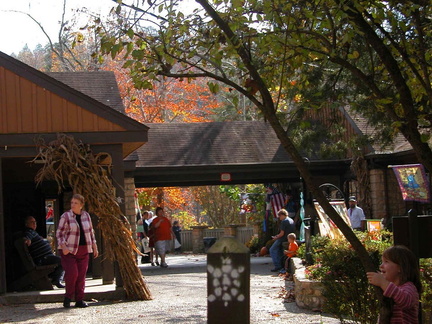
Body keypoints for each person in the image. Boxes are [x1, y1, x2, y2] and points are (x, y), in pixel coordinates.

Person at [57, 194, 98, 308]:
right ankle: (68, 297)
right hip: (69, 250)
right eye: (72, 203)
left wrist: (94, 246)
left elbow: (91, 231)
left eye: (76, 203)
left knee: (81, 275)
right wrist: (63, 247)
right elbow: (59, 233)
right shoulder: (66, 216)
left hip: (84, 249)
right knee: (72, 273)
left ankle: (79, 299)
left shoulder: (86, 216)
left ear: (81, 205)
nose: (73, 205)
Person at [366, 245, 422, 323]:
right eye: (382, 262)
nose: (381, 266)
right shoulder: (389, 290)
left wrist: (383, 283)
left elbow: (405, 300)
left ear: (400, 267)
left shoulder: (409, 287)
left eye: (386, 262)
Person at [22, 216, 64, 288]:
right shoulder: (29, 231)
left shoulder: (33, 232)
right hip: (42, 259)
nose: (34, 224)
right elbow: (27, 236)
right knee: (64, 261)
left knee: (62, 260)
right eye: (31, 222)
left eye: (35, 222)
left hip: (46, 257)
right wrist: (27, 239)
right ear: (26, 224)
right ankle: (56, 280)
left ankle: (54, 278)